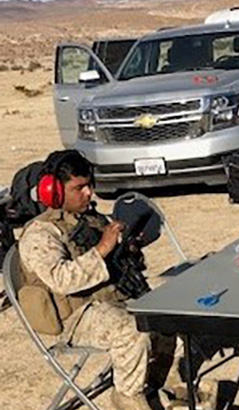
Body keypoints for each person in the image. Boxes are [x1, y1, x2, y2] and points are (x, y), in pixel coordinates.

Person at [17, 150, 153, 410]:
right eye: (79, 188)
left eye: (89, 185)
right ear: (53, 192)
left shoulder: (90, 219)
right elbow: (61, 279)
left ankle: (166, 386)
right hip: (77, 315)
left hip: (112, 299)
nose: (89, 193)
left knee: (169, 319)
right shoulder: (41, 233)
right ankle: (127, 398)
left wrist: (128, 250)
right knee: (134, 330)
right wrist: (102, 249)